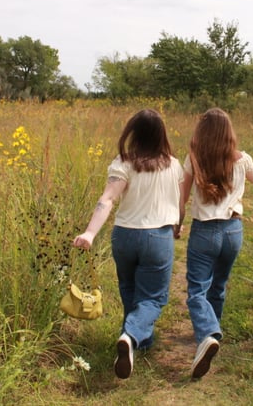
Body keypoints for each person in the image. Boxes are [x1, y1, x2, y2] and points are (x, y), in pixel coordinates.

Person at [73, 109, 182, 379]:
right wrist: (178, 224)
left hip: (124, 236)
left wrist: (89, 232)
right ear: (161, 134)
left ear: (132, 132)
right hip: (157, 236)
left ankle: (136, 342)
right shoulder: (174, 165)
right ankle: (132, 335)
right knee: (154, 297)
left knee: (130, 290)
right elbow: (178, 202)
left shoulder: (123, 163)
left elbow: (107, 199)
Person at [178, 108, 253, 379]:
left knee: (196, 292)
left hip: (204, 232)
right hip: (232, 231)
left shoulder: (193, 159)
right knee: (219, 286)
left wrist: (177, 224)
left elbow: (181, 198)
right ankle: (210, 335)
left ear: (202, 132)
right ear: (229, 133)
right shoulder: (243, 160)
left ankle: (207, 335)